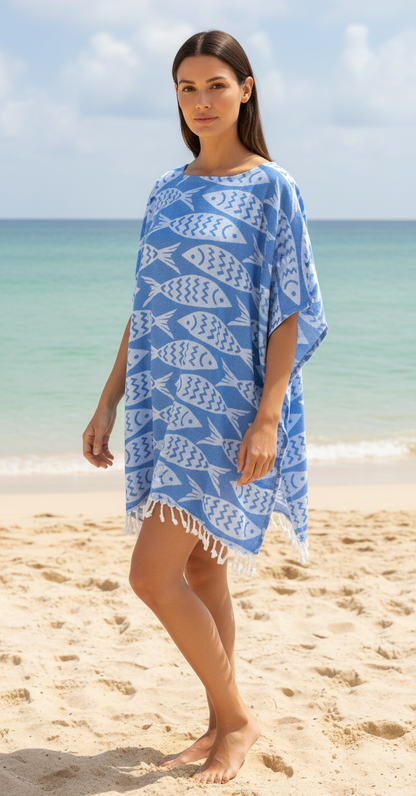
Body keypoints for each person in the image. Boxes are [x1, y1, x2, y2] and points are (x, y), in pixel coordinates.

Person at [83, 30, 327, 786]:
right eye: (187, 88)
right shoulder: (166, 188)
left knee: (152, 578)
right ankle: (219, 721)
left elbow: (290, 306)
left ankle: (239, 717)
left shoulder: (272, 187)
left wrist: (268, 417)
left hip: (226, 414)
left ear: (246, 90)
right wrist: (107, 402)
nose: (201, 102)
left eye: (216, 85)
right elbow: (147, 307)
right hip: (165, 404)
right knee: (202, 571)